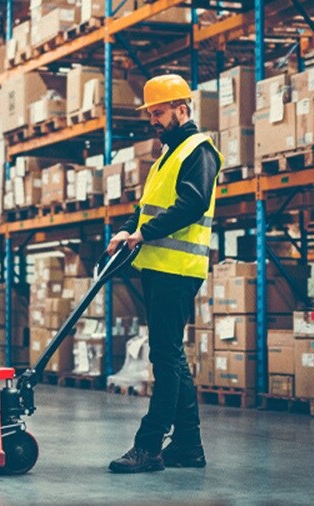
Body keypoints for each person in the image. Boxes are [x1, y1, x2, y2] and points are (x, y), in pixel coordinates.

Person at [106, 74, 223, 473]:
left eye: (159, 112)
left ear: (182, 110)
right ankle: (188, 445)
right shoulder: (165, 157)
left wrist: (145, 232)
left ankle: (149, 444)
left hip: (177, 268)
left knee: (165, 355)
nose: (154, 120)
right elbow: (147, 208)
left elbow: (192, 204)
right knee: (170, 353)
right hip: (156, 265)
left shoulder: (198, 150)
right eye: (151, 114)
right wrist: (127, 229)